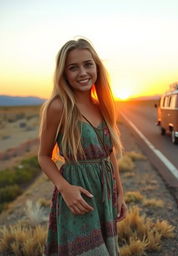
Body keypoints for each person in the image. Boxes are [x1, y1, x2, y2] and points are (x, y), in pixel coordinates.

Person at [38, 38, 127, 256]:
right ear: (64, 74)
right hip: (78, 197)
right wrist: (64, 188)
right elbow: (43, 156)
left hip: (105, 194)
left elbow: (109, 154)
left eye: (88, 64)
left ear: (97, 66)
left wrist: (120, 193)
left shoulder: (103, 106)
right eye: (73, 67)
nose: (82, 72)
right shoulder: (59, 107)